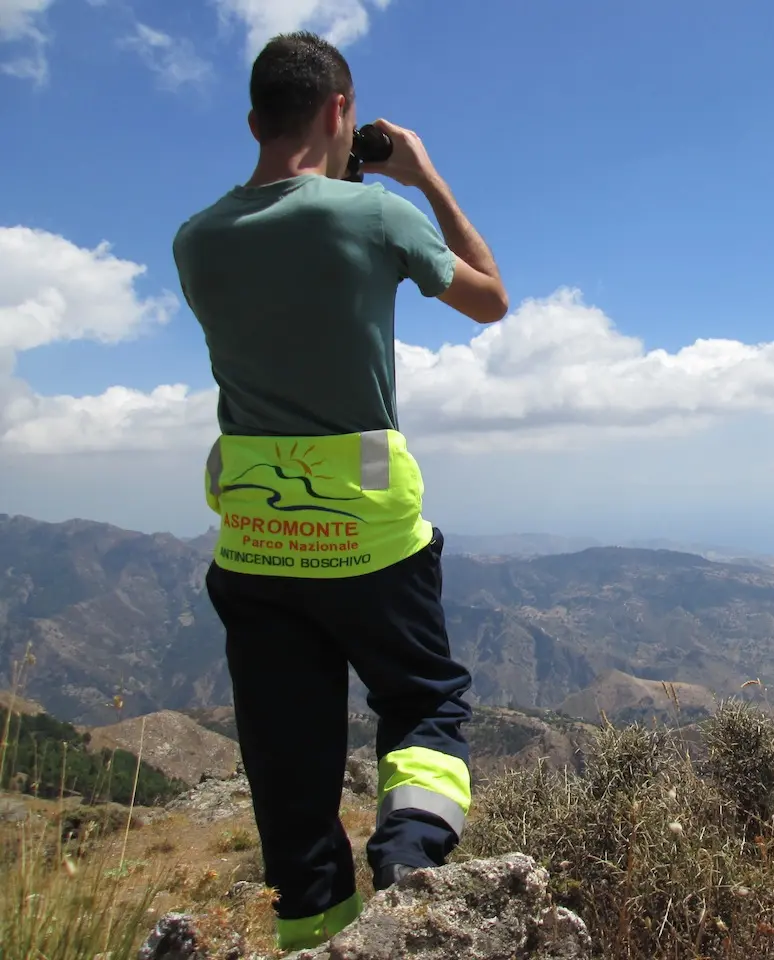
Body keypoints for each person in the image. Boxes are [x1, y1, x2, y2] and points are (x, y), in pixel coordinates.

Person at [171, 30, 507, 952]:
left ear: (252, 120)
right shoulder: (378, 220)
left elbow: (295, 273)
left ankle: (317, 935)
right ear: (340, 113)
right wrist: (423, 176)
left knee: (290, 766)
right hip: (370, 543)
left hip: (256, 545)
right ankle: (410, 863)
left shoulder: (194, 242)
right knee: (424, 706)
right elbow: (490, 299)